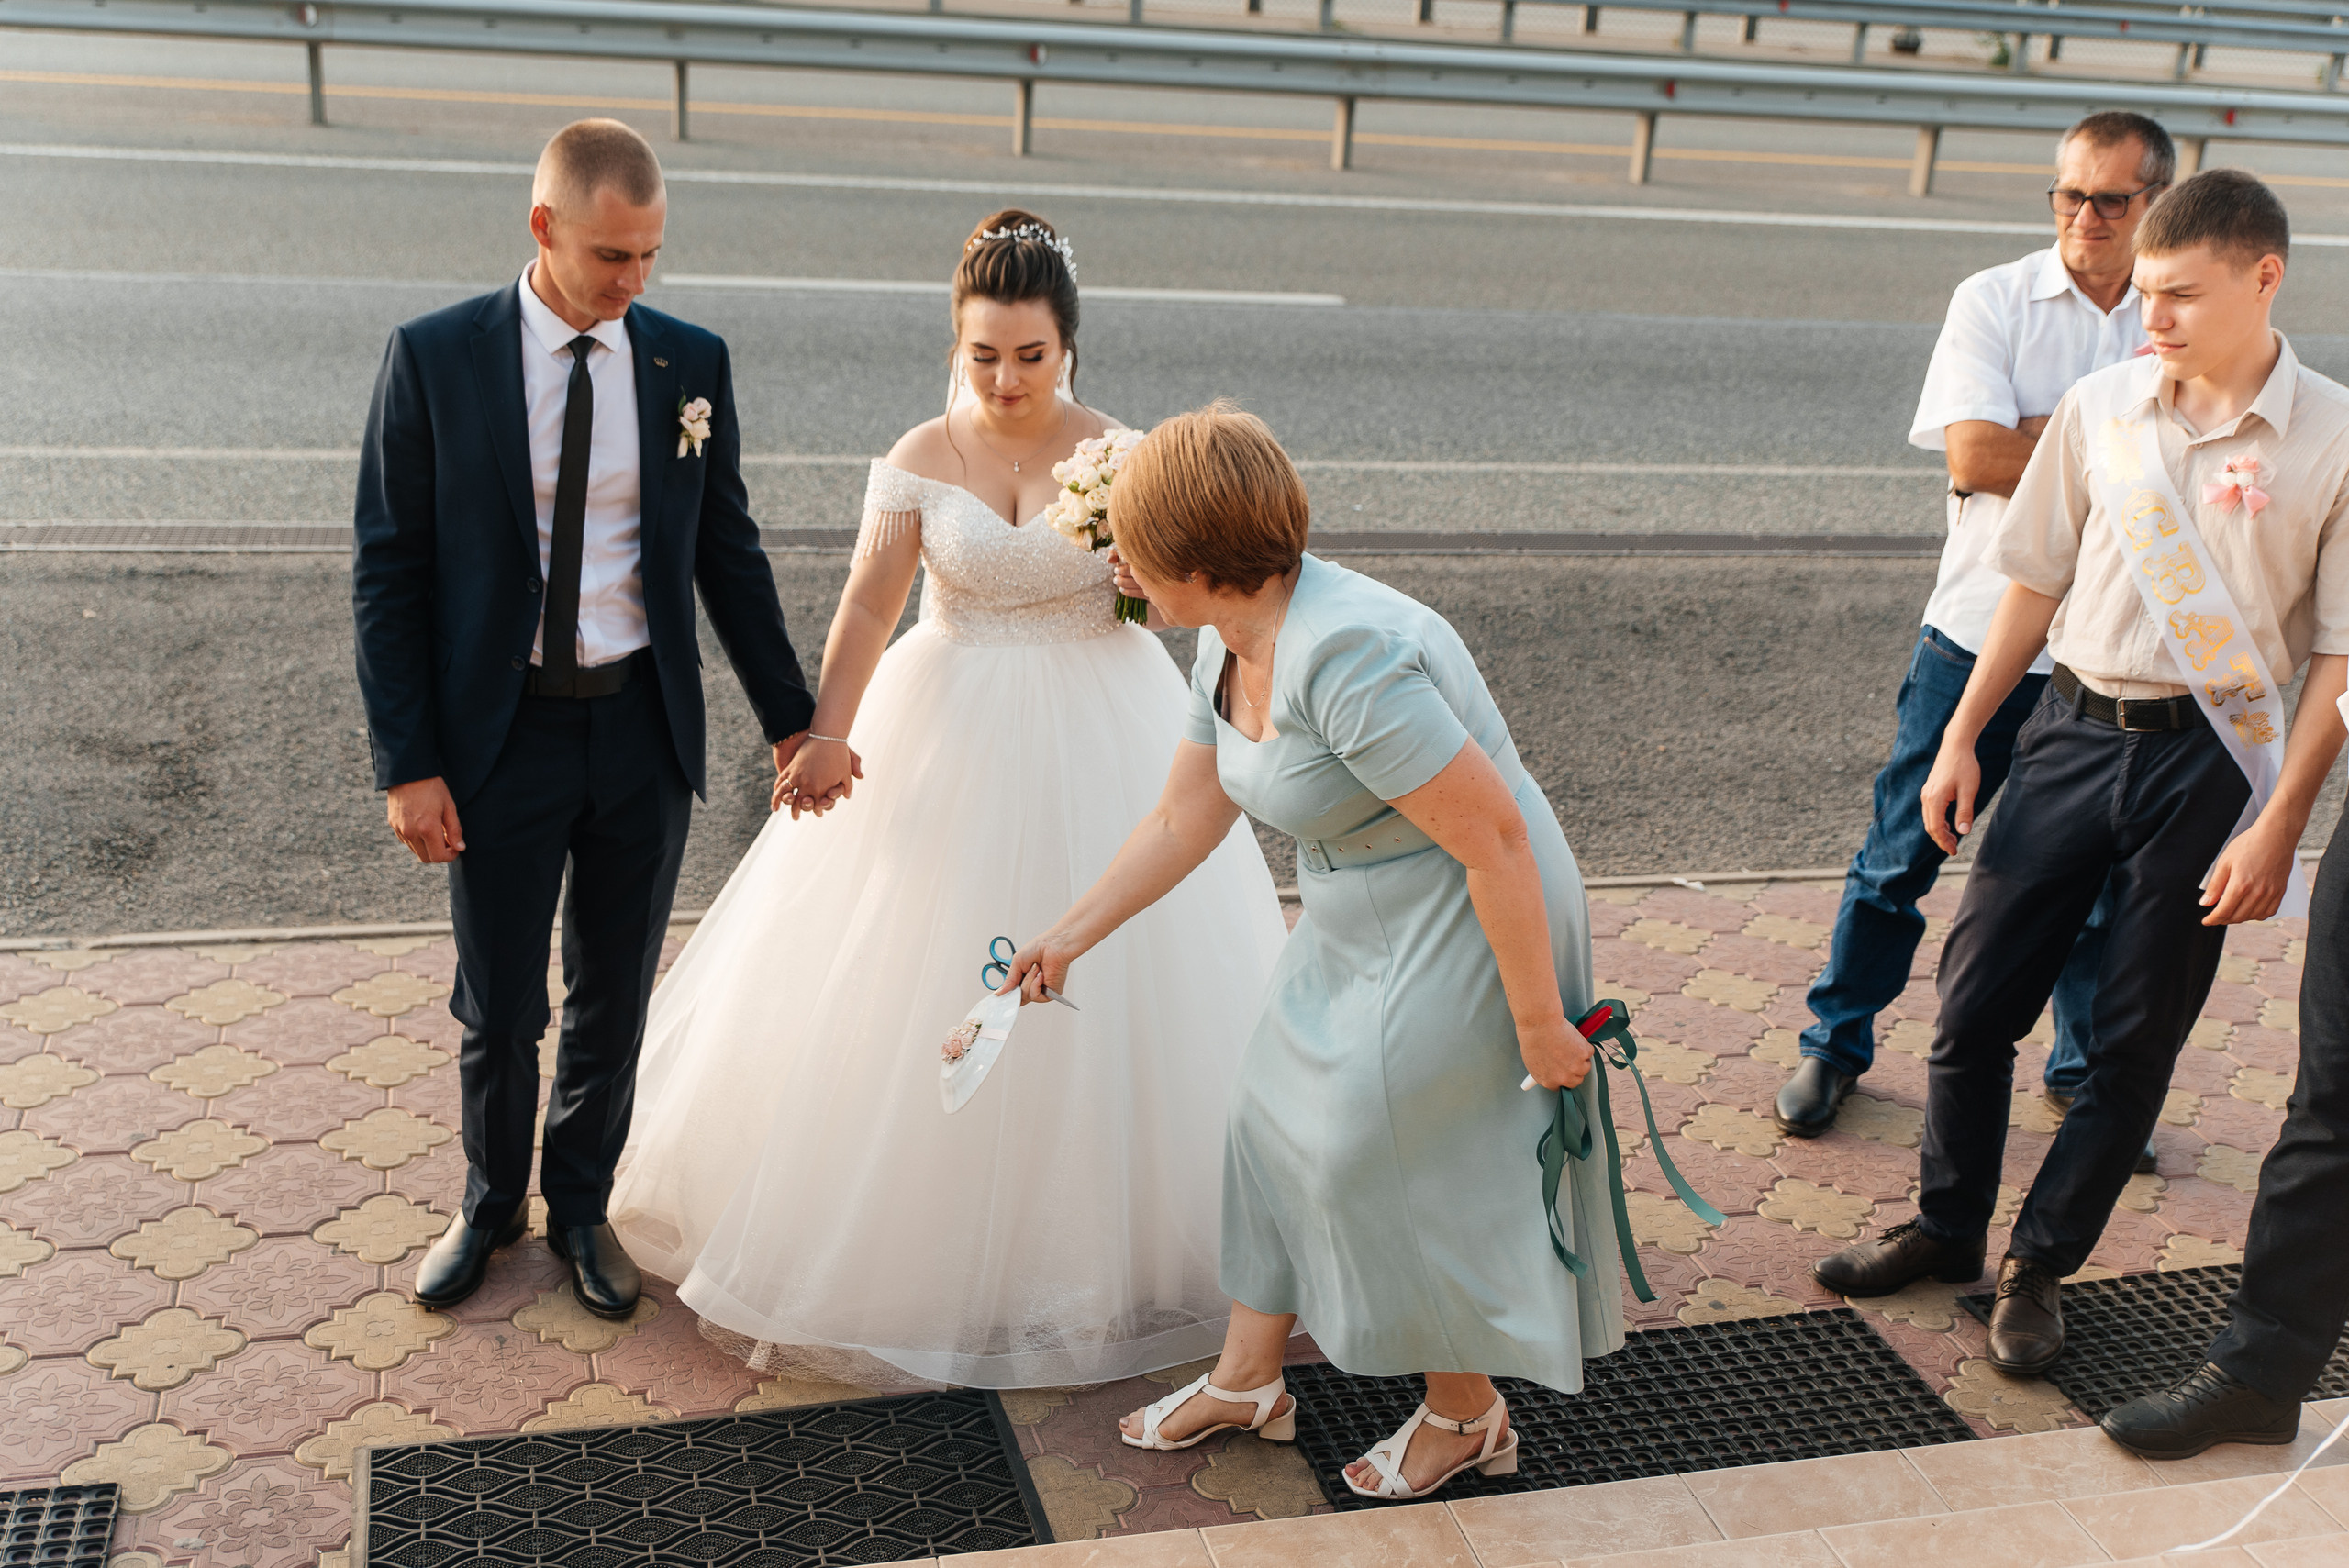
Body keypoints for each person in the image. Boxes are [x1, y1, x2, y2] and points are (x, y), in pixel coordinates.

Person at [604, 214, 1290, 1391]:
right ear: (955, 344)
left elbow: (1166, 595)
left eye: (1030, 354)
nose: (1007, 378)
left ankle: (1094, 1253)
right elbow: (871, 607)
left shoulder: (1122, 454)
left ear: (1068, 346)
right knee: (892, 975)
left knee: (1127, 994)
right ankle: (924, 1242)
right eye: (984, 354)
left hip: (1102, 727)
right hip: (946, 722)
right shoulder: (920, 454)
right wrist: (828, 731)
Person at [1000, 403, 1622, 1501]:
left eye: (1132, 546)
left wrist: (1537, 1019)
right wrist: (1067, 935)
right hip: (1357, 904)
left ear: (1199, 559)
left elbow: (1497, 837)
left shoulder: (1348, 657)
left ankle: (1469, 1413)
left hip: (1470, 905)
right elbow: (1183, 819)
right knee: (1265, 1114)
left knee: (1373, 1152)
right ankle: (1249, 1378)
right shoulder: (1227, 637)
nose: (1115, 560)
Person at [1813, 171, 2349, 1382]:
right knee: (1970, 1010)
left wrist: (2282, 827)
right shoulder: (2102, 405)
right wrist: (1961, 735)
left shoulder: (2337, 437)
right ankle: (1948, 1224)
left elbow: (2337, 658)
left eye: (2177, 294)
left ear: (2265, 279)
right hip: (2064, 731)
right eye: (2143, 292)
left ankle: (2038, 1265)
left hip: (2211, 765)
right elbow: (2033, 582)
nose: (2146, 315)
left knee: (2132, 1041)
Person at [353, 120, 821, 1319]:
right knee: (500, 1001)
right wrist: (409, 765)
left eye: (653, 256)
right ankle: (486, 1202)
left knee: (615, 991)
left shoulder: (685, 363)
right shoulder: (436, 358)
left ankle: (580, 1209)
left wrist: (791, 719)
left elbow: (729, 552)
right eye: (613, 257)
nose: (633, 283)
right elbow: (388, 572)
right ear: (544, 227)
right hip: (498, 737)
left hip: (637, 731)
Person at [1782, 112, 2173, 1143]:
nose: (2083, 217)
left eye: (2109, 200)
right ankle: (1834, 1045)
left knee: (2092, 881)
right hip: (1972, 634)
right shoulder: (1993, 299)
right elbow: (1974, 459)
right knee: (1897, 855)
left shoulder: (2177, 310)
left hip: (2111, 649)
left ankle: (2078, 1066)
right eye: (2067, 195)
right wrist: (2113, 442)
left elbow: (2195, 459)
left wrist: (2044, 434)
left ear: (2155, 206)